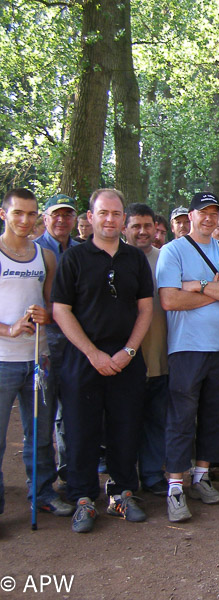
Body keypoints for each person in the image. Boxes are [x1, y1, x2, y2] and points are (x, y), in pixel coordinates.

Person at [52, 189, 153, 533]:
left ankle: (122, 493)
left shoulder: (135, 259)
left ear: (123, 219)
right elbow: (61, 310)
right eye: (103, 213)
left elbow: (145, 309)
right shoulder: (74, 258)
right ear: (91, 218)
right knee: (82, 430)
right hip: (84, 359)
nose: (110, 219)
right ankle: (82, 497)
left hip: (126, 358)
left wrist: (128, 352)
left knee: (126, 428)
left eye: (116, 213)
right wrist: (92, 353)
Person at [156, 192, 219, 522]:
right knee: (182, 415)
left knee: (215, 415)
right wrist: (217, 291)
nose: (209, 219)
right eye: (203, 213)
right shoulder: (173, 251)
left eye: (214, 213)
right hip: (186, 347)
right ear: (190, 215)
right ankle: (176, 486)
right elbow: (169, 300)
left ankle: (202, 476)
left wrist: (198, 285)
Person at [0, 188, 71, 519]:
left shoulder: (46, 257)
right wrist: (9, 329)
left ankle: (42, 492)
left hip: (39, 359)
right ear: (4, 214)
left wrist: (47, 314)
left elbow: (53, 305)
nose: (24, 221)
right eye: (18, 213)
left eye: (30, 214)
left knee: (41, 434)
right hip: (3, 359)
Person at [122, 203, 170, 497]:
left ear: (156, 228)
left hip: (160, 354)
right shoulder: (116, 259)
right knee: (125, 423)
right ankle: (124, 479)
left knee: (156, 420)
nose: (142, 231)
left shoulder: (165, 259)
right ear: (125, 228)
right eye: (136, 226)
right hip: (124, 358)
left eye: (147, 226)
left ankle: (152, 475)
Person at [35, 194, 81, 487]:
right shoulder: (34, 251)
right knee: (43, 413)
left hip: (77, 343)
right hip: (45, 344)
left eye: (68, 215)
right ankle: (42, 484)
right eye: (57, 215)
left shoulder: (82, 250)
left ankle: (69, 475)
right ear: (45, 217)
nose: (62, 220)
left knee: (73, 414)